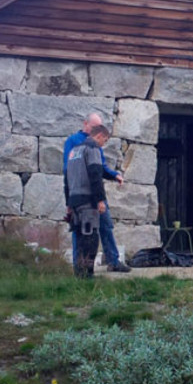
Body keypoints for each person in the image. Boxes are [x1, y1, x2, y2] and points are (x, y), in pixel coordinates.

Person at [63, 113, 130, 273]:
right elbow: (93, 174)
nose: (103, 145)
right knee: (88, 236)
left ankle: (111, 261)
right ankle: (84, 271)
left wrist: (114, 175)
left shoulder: (80, 150)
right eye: (104, 141)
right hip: (89, 196)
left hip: (77, 197)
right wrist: (99, 200)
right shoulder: (82, 145)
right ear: (87, 125)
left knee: (101, 226)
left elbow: (98, 169)